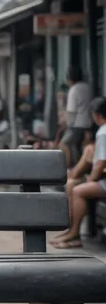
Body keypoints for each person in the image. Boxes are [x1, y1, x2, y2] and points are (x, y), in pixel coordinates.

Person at [51, 97, 106, 249]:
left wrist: (92, 178)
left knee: (77, 190)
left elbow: (101, 163)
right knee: (71, 184)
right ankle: (71, 231)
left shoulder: (103, 132)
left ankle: (74, 233)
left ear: (96, 115)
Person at [60, 67, 92, 168]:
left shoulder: (74, 89)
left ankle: (68, 168)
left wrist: (67, 124)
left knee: (64, 144)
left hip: (77, 125)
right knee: (77, 148)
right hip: (89, 123)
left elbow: (71, 111)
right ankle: (78, 167)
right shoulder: (87, 87)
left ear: (69, 79)